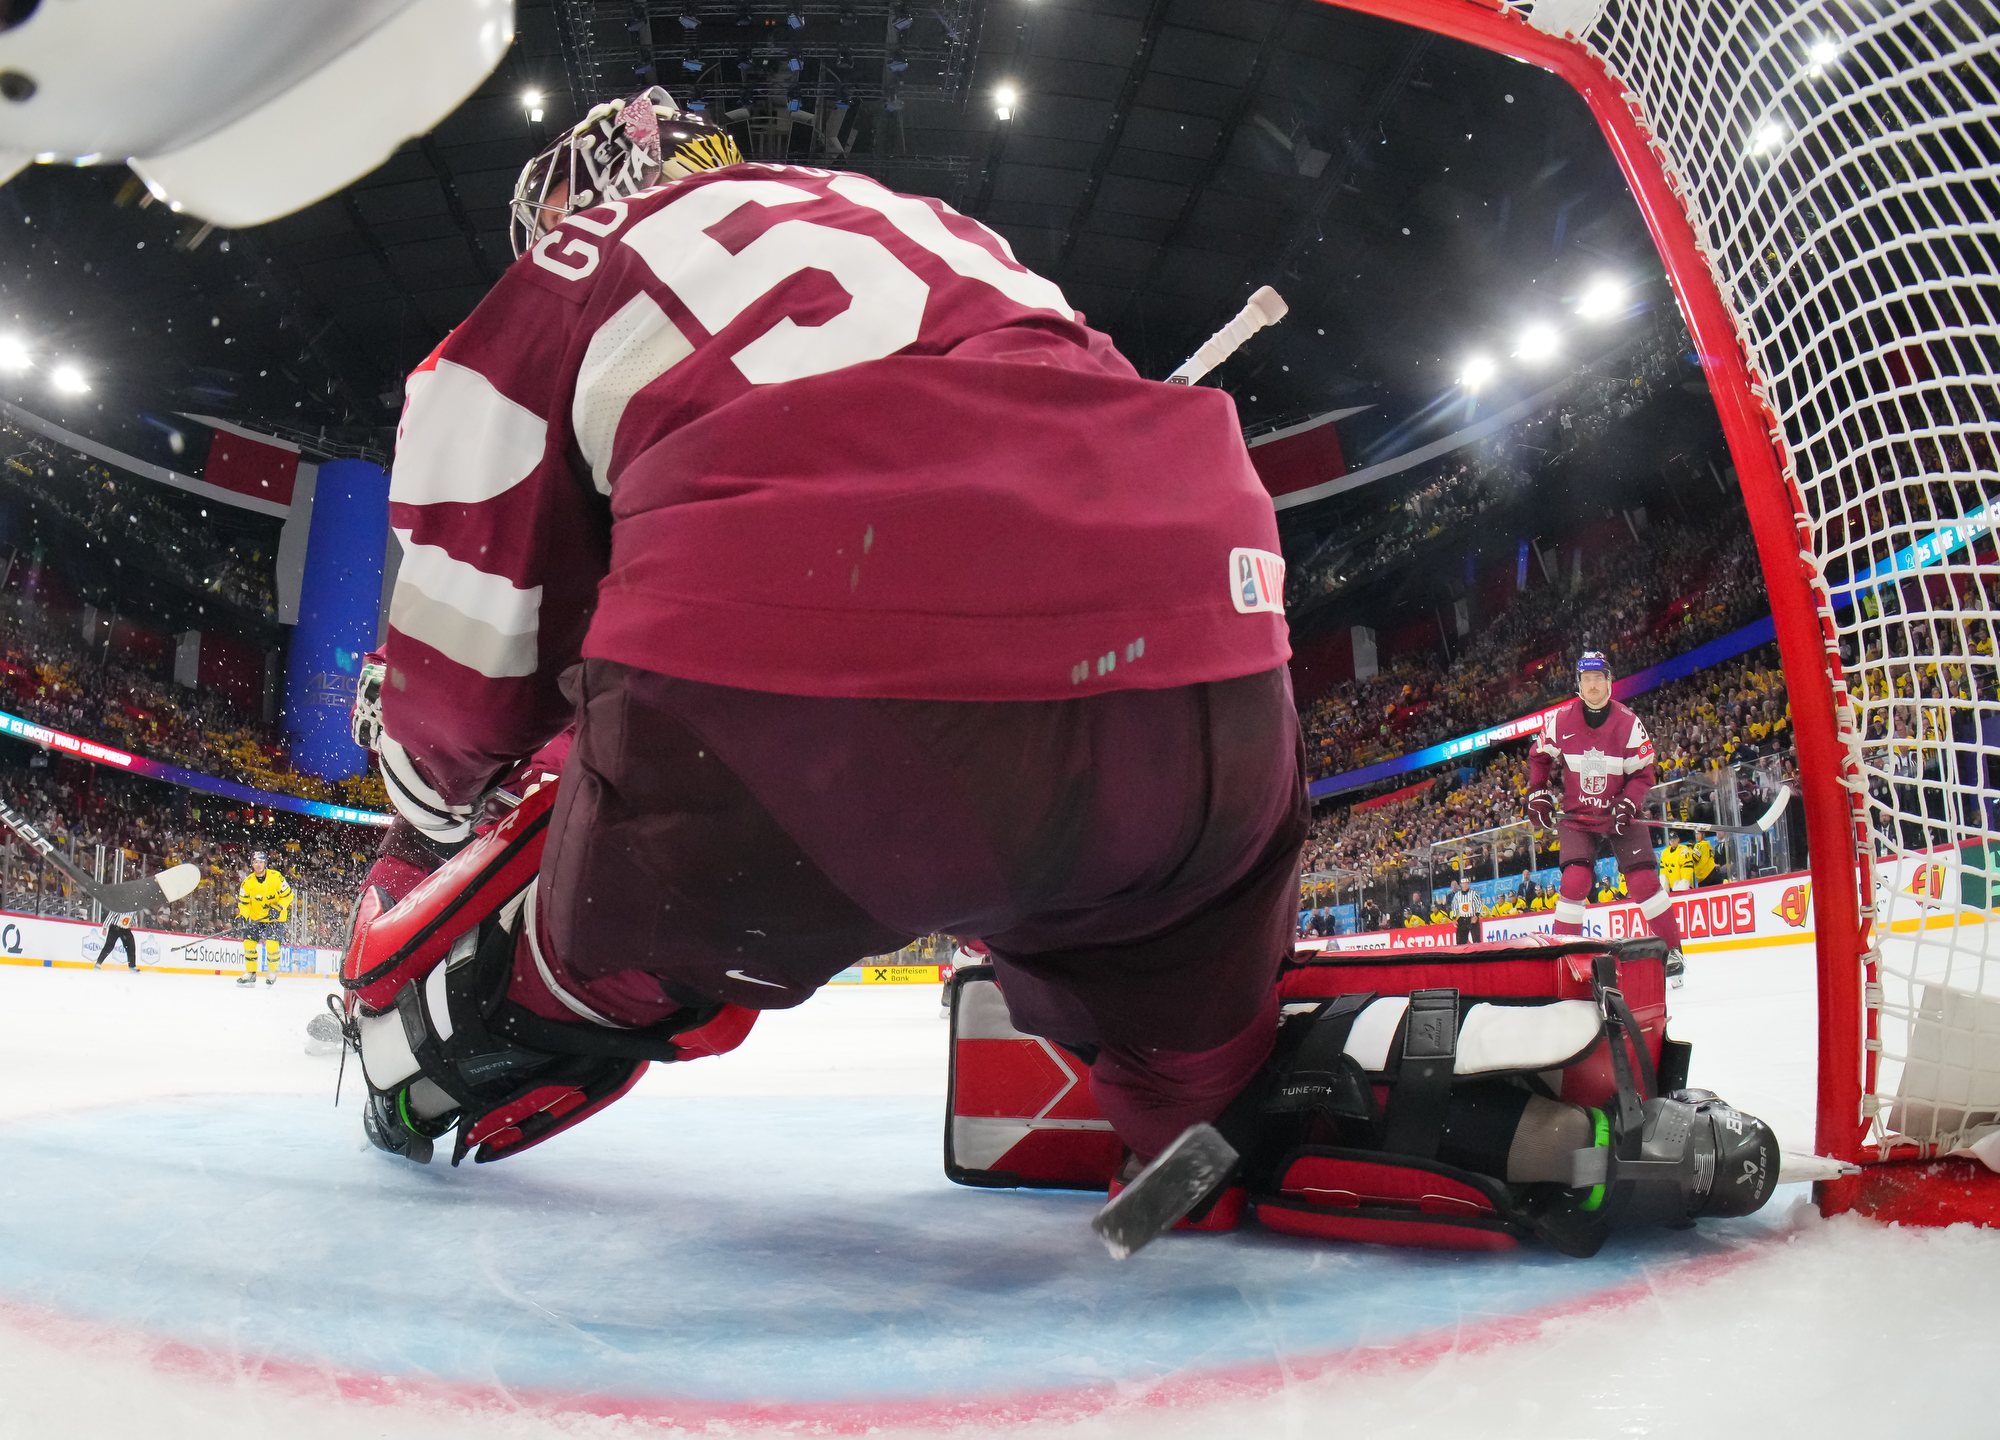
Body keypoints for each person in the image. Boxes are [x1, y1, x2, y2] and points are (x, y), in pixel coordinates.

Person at [340, 87, 1306, 1171]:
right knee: (1176, 1012)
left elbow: (469, 671)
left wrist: (429, 822)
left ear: (577, 199)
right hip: (1211, 674)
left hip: (815, 716)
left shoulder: (560, 276)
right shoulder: (929, 222)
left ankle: (462, 1051)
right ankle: (1212, 1130)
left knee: (523, 954)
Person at [1526, 652, 1684, 976]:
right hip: (1578, 816)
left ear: (1609, 682)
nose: (1593, 685)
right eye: (1587, 679)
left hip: (1620, 814)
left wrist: (1629, 802)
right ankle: (1564, 960)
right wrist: (1537, 793)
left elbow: (1643, 773)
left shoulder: (1628, 722)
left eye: (1598, 678)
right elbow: (1539, 757)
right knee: (1575, 881)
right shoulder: (1561, 719)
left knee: (1643, 882)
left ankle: (1673, 953)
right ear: (1579, 684)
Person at [236, 850, 293, 987]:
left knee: (272, 945)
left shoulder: (276, 877)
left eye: (261, 862)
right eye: (256, 862)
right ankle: (250, 973)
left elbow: (288, 896)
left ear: (265, 863)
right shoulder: (247, 883)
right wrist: (242, 916)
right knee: (248, 943)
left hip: (275, 918)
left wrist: (278, 908)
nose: (258, 865)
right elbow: (244, 904)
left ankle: (272, 971)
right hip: (256, 918)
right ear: (252, 864)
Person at [1449, 876, 1482, 944]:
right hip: (1462, 919)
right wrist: (1454, 918)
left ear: (1468, 884)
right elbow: (1454, 906)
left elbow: (1479, 904)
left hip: (1472, 918)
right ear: (1460, 884)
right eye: (1463, 883)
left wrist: (1476, 915)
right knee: (1460, 942)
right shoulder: (1457, 895)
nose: (1464, 885)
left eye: (1466, 883)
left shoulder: (1473, 894)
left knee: (1476, 941)